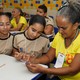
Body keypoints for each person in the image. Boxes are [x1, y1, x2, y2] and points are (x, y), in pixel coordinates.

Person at [26, 0, 80, 80]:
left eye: (63, 28)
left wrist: (44, 70)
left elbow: (72, 70)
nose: (59, 31)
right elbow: (49, 56)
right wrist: (34, 60)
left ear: (75, 25)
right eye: (58, 27)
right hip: (59, 76)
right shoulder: (59, 36)